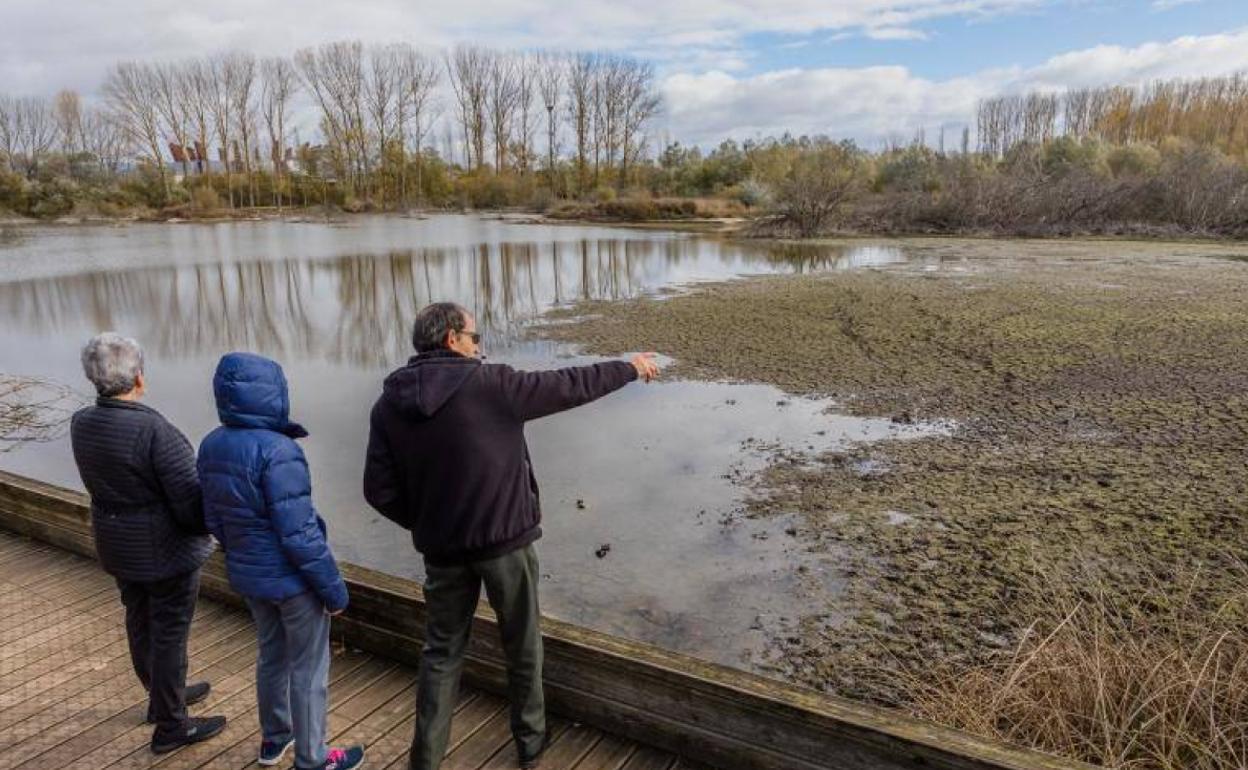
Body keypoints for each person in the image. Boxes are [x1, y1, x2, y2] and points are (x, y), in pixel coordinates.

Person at [362, 302, 660, 770]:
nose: (480, 346)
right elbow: (568, 386)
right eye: (475, 337)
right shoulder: (491, 385)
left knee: (440, 654)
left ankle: (425, 760)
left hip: (442, 552)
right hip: (506, 545)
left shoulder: (389, 405)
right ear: (452, 340)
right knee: (522, 645)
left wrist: (426, 523)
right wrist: (628, 367)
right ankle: (531, 742)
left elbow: (378, 491)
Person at [197, 352, 364, 770]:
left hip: (249, 577)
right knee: (308, 669)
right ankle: (313, 758)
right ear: (274, 394)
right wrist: (334, 590)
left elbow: (213, 518)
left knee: (271, 655)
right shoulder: (279, 451)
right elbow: (300, 534)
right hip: (292, 583)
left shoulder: (212, 444)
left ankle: (276, 738)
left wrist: (243, 555)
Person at [69, 332, 227, 753]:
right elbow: (191, 508)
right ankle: (172, 727)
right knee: (169, 632)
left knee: (139, 619)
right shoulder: (156, 431)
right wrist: (214, 527)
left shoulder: (82, 422)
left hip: (118, 544)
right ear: (138, 378)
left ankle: (161, 698)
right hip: (166, 553)